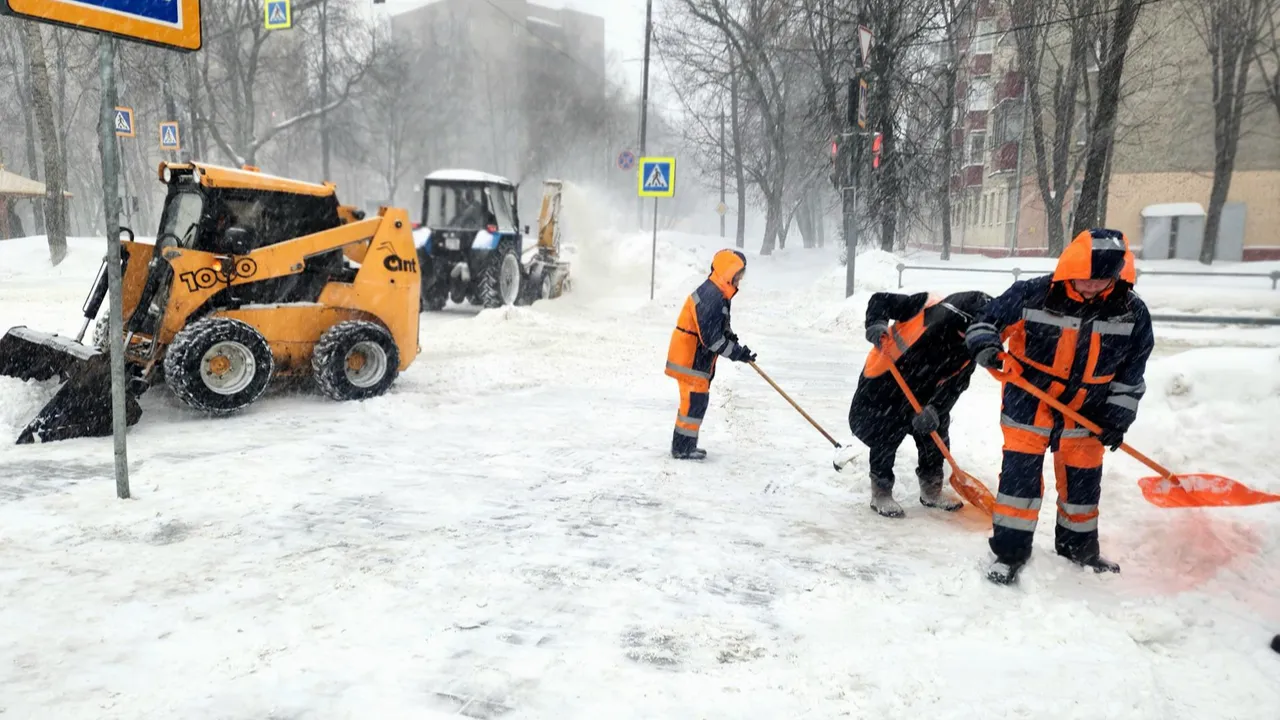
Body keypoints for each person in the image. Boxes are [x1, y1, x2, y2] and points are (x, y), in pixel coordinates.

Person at [965, 228, 1154, 585]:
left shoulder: (1131, 312)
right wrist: (986, 345)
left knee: (1082, 486)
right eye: (1085, 279)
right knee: (1018, 485)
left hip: (1088, 411)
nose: (1091, 287)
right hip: (1029, 403)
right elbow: (985, 320)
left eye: (1101, 281)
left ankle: (1078, 549)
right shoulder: (1034, 294)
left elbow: (1132, 373)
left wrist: (1117, 418)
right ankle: (1010, 553)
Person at [852, 290, 993, 517]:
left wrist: (936, 410)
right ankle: (881, 492)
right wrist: (875, 324)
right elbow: (880, 300)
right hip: (888, 381)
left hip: (925, 393)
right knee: (885, 435)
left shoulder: (971, 345)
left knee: (936, 435)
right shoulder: (924, 306)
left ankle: (931, 490)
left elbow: (956, 385)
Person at [664, 249, 755, 460]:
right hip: (690, 359)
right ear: (728, 271)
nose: (740, 278)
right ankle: (682, 448)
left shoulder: (718, 293)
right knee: (693, 403)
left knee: (696, 402)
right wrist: (736, 354)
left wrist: (737, 346)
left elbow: (721, 328)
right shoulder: (711, 296)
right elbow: (712, 339)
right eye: (738, 273)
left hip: (697, 359)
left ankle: (686, 446)